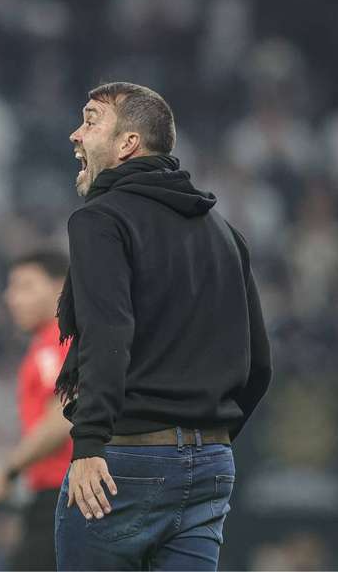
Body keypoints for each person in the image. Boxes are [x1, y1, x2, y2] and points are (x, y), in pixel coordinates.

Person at [53, 82, 273, 570]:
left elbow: (107, 334)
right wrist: (203, 441)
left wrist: (89, 443)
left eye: (90, 120)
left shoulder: (101, 220)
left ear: (128, 143)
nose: (75, 134)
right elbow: (260, 364)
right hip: (212, 465)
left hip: (124, 462)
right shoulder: (224, 231)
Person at [0, 250, 73, 570]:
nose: (11, 297)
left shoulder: (58, 342)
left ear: (61, 288)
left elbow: (64, 414)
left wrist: (7, 471)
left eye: (25, 286)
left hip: (64, 496)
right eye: (11, 287)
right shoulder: (52, 343)